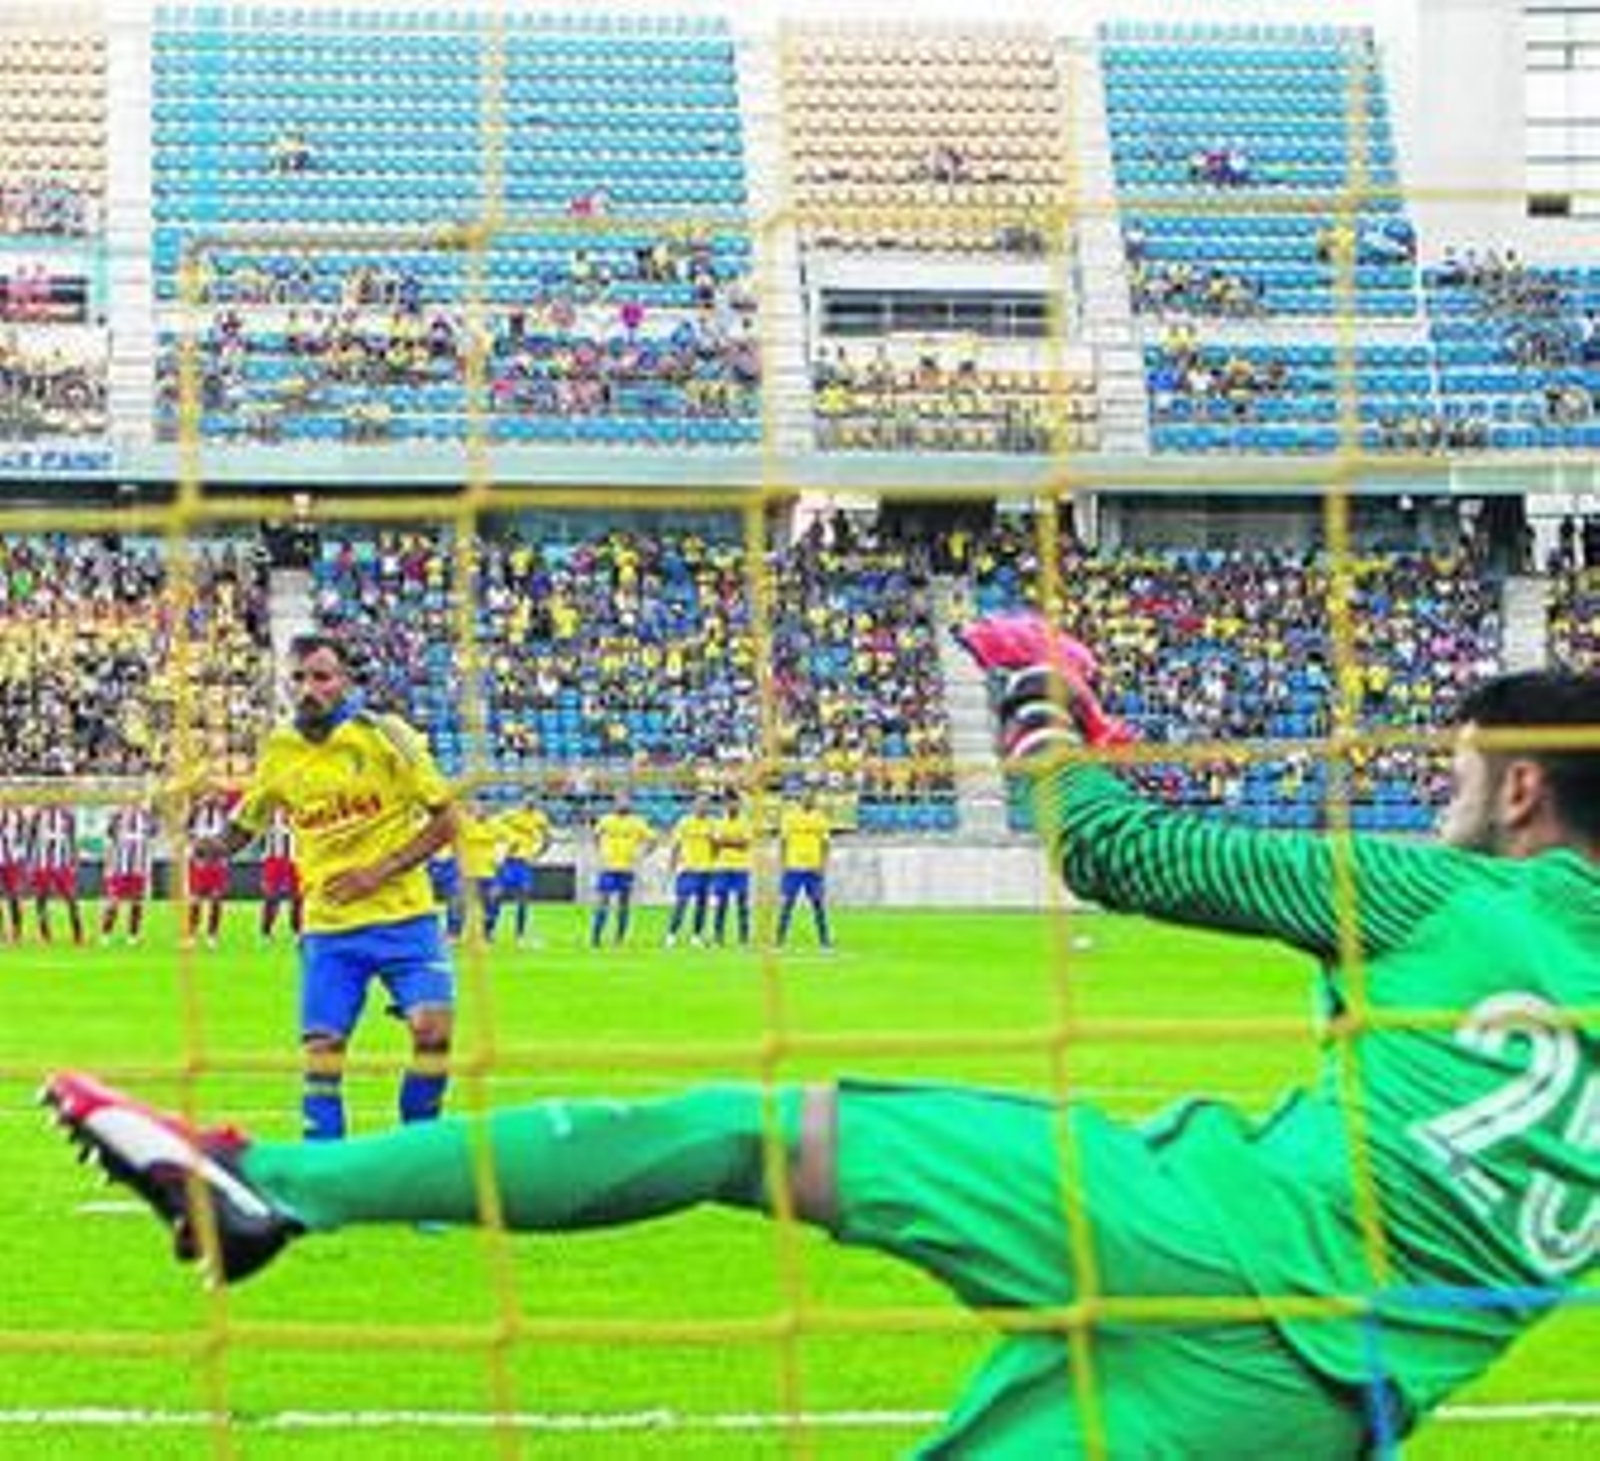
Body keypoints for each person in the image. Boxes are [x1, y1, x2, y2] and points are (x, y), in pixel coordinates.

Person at [43, 616, 1600, 1457]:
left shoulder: (1440, 892)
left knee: (752, 1130)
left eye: (1467, 773)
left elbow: (1125, 853)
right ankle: (274, 1191)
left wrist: (1046, 720)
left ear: (1520, 789)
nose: (1453, 796)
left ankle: (285, 1196)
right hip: (1316, 1409)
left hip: (1182, 1230)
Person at [189, 633, 459, 1141]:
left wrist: (379, 871)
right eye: (299, 678)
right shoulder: (280, 749)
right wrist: (213, 845)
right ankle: (324, 1169)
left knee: (434, 1034)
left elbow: (447, 820)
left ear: (345, 681)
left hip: (406, 918)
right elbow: (250, 820)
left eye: (321, 676)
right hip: (330, 928)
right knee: (322, 1053)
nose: (309, 688)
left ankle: (416, 1151)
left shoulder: (386, 736)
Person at [589, 793, 652, 949]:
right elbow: (595, 836)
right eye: (620, 802)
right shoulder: (606, 820)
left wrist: (642, 854)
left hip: (627, 868)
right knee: (602, 903)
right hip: (608, 867)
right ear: (615, 804)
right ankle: (596, 937)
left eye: (626, 802)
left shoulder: (637, 822)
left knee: (624, 905)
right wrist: (601, 852)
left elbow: (652, 840)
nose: (623, 805)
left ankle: (619, 938)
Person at [775, 788, 833, 950]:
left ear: (814, 800)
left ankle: (824, 940)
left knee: (818, 904)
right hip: (793, 866)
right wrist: (783, 863)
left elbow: (826, 844)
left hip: (813, 868)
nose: (808, 800)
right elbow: (783, 842)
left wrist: (823, 865)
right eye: (805, 797)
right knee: (787, 904)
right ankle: (779, 940)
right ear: (800, 799)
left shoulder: (820, 818)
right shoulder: (790, 817)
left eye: (811, 798)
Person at [493, 797, 551, 949]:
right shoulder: (510, 814)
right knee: (497, 896)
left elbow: (547, 839)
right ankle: (489, 930)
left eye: (532, 803)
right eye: (527, 802)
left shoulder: (540, 818)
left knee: (524, 898)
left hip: (524, 863)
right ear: (522, 802)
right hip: (508, 860)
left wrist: (538, 854)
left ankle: (520, 934)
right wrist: (503, 844)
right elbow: (494, 826)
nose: (529, 804)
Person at [100, 801, 157, 947]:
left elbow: (154, 832)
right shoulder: (118, 816)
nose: (134, 803)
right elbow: (109, 833)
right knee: (114, 902)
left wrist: (148, 815)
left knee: (137, 902)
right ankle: (106, 934)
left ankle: (132, 935)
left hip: (139, 867)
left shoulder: (146, 818)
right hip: (120, 867)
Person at [184, 789, 235, 950]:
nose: (211, 797)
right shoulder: (196, 811)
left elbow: (231, 832)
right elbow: (185, 829)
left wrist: (223, 846)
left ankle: (212, 935)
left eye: (215, 794)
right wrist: (196, 841)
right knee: (195, 899)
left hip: (218, 859)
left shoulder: (225, 812)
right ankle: (191, 935)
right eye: (208, 794)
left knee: (216, 899)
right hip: (199, 858)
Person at [662, 794, 715, 949]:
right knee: (681, 903)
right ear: (694, 806)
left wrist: (713, 864)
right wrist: (672, 867)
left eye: (705, 804)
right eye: (700, 804)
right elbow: (676, 846)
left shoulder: (712, 824)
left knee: (702, 905)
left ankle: (696, 936)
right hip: (687, 869)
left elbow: (715, 846)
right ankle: (671, 935)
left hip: (706, 870)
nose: (702, 807)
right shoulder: (684, 823)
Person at [30, 801, 83, 947]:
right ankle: (45, 936)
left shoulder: (68, 816)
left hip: (62, 864)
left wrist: (74, 859)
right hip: (42, 864)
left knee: (71, 899)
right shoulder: (37, 815)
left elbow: (72, 839)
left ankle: (78, 935)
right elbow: (32, 839)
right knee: (41, 900)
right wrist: (31, 862)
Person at [709, 791, 753, 948]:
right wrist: (734, 841)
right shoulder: (719, 822)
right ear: (725, 804)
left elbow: (745, 844)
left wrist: (725, 842)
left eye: (734, 803)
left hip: (741, 868)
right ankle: (717, 937)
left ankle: (744, 938)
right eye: (728, 803)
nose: (731, 805)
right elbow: (714, 844)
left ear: (739, 804)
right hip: (722, 867)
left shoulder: (746, 822)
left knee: (742, 903)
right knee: (721, 903)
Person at [259, 807, 302, 943]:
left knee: (297, 898)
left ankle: (297, 931)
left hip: (295, 861)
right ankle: (266, 931)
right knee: (272, 897)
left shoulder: (300, 815)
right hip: (274, 861)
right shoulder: (270, 819)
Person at [0, 801, 31, 944]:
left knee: (14, 898)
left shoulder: (20, 814)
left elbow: (26, 835)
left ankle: (16, 933)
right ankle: (3, 933)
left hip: (13, 862)